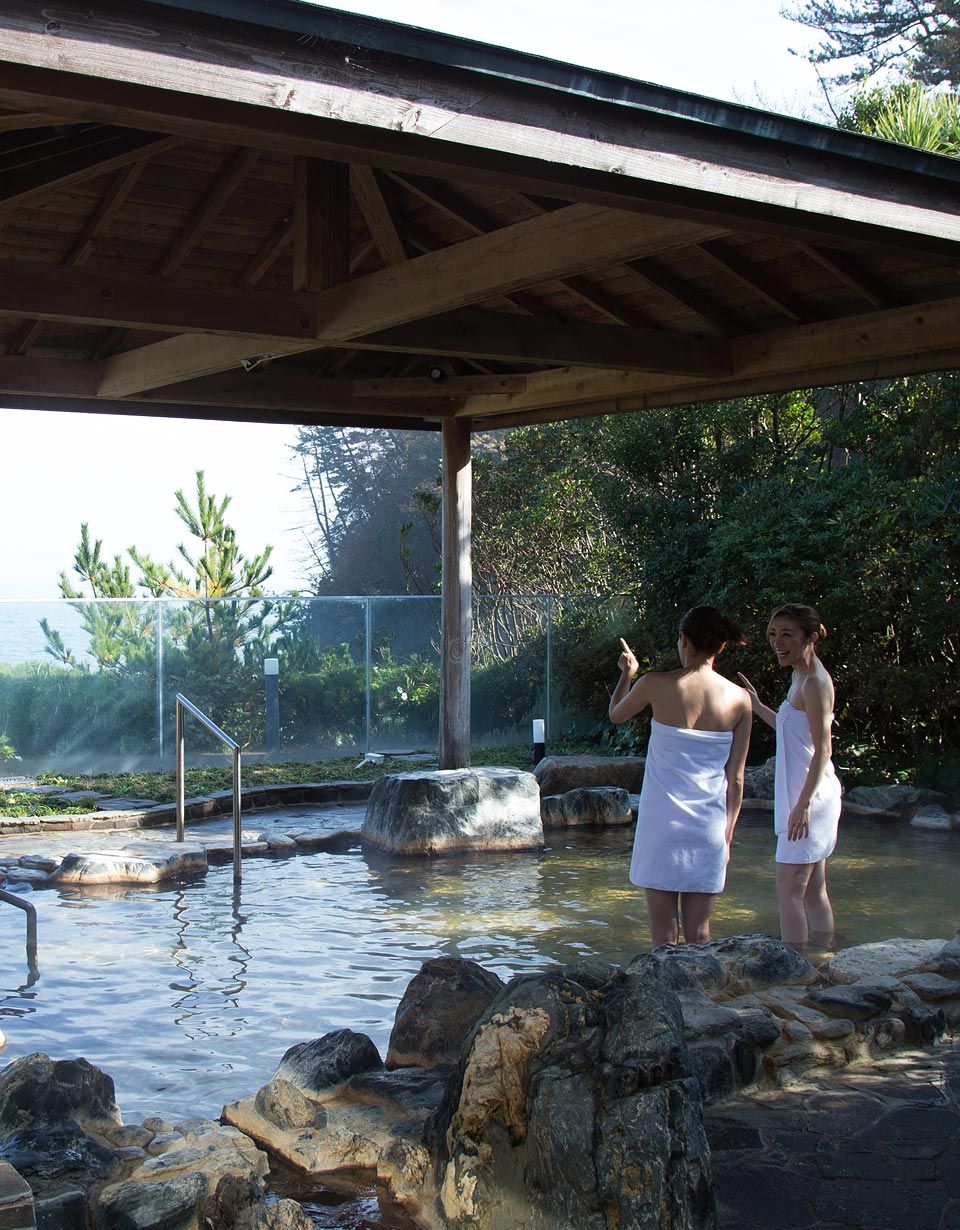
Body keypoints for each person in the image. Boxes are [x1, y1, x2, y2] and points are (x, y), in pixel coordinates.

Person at [609, 606, 752, 948]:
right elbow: (736, 778)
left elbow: (616, 715)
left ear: (683, 640)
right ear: (721, 646)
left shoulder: (654, 685)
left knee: (663, 937)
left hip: (662, 826)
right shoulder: (741, 700)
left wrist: (628, 673)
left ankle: (669, 1001)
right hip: (709, 828)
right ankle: (704, 997)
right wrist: (727, 834)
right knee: (701, 936)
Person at [738, 602, 841, 949]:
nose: (777, 642)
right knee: (812, 889)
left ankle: (795, 972)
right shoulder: (799, 675)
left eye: (787, 635)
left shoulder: (814, 682)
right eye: (773, 634)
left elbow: (824, 748)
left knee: (788, 892)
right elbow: (792, 731)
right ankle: (823, 959)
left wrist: (803, 805)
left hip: (809, 798)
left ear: (810, 638)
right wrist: (757, 704)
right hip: (807, 795)